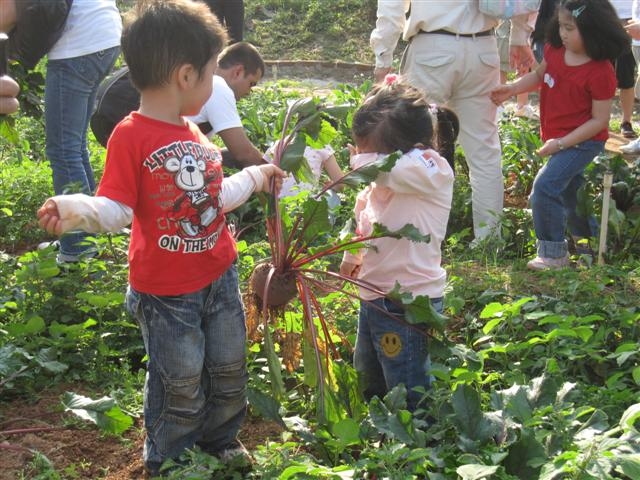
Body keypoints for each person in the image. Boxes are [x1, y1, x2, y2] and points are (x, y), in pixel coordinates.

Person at [36, 0, 284, 475]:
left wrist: (255, 176)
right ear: (186, 76)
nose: (214, 85)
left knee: (230, 367)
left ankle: (221, 441)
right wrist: (77, 209)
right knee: (180, 380)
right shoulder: (130, 136)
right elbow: (117, 209)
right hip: (168, 294)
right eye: (213, 74)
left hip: (219, 277)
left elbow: (213, 195)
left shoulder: (194, 132)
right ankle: (170, 458)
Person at [370, 0, 535, 242]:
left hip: (431, 46)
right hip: (482, 48)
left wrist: (383, 59)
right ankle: (489, 239)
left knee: (414, 147)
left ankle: (418, 235)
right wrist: (519, 36)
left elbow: (391, 8)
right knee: (484, 152)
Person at [339, 78, 457, 411]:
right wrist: (351, 256)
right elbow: (362, 220)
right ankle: (380, 426)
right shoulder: (380, 182)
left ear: (412, 148)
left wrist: (363, 164)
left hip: (409, 300)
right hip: (373, 295)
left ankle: (416, 438)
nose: (361, 162)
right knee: (369, 370)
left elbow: (392, 170)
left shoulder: (431, 169)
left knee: (407, 380)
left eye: (367, 153)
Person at [490, 0, 629, 271]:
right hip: (558, 138)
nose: (563, 33)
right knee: (570, 193)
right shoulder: (555, 50)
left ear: (594, 31)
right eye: (561, 26)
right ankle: (587, 243)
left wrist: (562, 143)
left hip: (583, 142)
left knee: (544, 188)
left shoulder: (601, 72)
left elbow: (599, 121)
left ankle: (553, 253)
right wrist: (512, 88)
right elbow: (541, 74)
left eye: (571, 28)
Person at [187, 41, 265, 168]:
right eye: (251, 84)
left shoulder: (207, 81)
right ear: (238, 72)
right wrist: (277, 173)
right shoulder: (218, 86)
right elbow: (244, 154)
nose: (248, 92)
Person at [611, 0, 638, 139]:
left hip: (631, 21)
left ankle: (626, 122)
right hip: (606, 18)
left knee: (626, 77)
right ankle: (596, 120)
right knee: (599, 75)